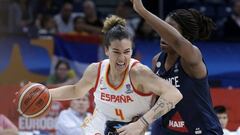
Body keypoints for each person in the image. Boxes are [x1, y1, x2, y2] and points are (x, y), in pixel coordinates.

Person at [24, 15, 183, 135]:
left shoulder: (138, 72)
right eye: (116, 52)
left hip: (132, 129)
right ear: (106, 50)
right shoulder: (95, 70)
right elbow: (75, 91)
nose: (122, 58)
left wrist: (142, 122)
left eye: (127, 52)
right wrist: (44, 93)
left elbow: (174, 94)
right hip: (98, 128)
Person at [130, 0, 223, 134]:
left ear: (185, 36)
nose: (162, 35)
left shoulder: (192, 56)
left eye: (169, 30)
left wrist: (142, 11)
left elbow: (178, 41)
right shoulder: (157, 60)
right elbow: (155, 100)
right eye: (163, 29)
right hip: (166, 129)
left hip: (202, 129)